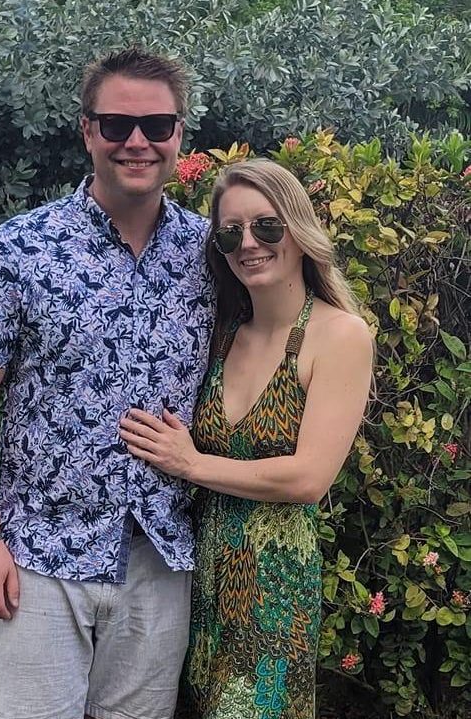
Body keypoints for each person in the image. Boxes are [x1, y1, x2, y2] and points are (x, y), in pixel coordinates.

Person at [0, 48, 213, 719]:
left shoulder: (212, 255)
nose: (138, 142)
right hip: (40, 554)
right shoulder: (17, 249)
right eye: (118, 124)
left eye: (157, 125)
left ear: (180, 134)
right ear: (88, 130)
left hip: (160, 554)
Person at [119, 158, 373, 719]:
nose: (249, 243)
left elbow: (308, 478)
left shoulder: (339, 335)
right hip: (199, 573)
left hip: (271, 586)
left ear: (299, 231)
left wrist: (190, 463)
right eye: (231, 232)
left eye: (267, 226)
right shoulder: (225, 331)